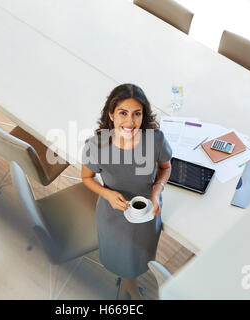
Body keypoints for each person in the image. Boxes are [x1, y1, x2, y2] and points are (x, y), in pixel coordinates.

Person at [81, 84, 172, 300]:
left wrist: (157, 192)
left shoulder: (155, 140)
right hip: (113, 214)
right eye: (123, 113)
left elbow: (166, 168)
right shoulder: (97, 147)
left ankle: (128, 283)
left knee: (139, 256)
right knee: (121, 255)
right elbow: (86, 178)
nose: (130, 122)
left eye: (137, 114)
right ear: (111, 114)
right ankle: (127, 285)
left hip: (147, 213)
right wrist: (107, 194)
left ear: (143, 115)